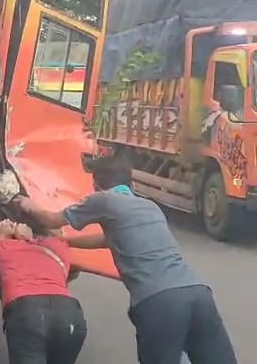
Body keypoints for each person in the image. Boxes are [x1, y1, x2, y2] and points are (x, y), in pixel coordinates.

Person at [14, 154, 237, 364]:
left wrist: (29, 206)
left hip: (159, 302)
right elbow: (110, 239)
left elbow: (52, 220)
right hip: (198, 295)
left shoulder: (103, 200)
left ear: (97, 184)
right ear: (130, 183)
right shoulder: (150, 207)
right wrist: (67, 242)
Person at [0, 218, 86, 364]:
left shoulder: (5, 247)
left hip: (28, 311)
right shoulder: (58, 248)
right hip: (69, 313)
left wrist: (3, 233)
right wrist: (29, 237)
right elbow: (57, 233)